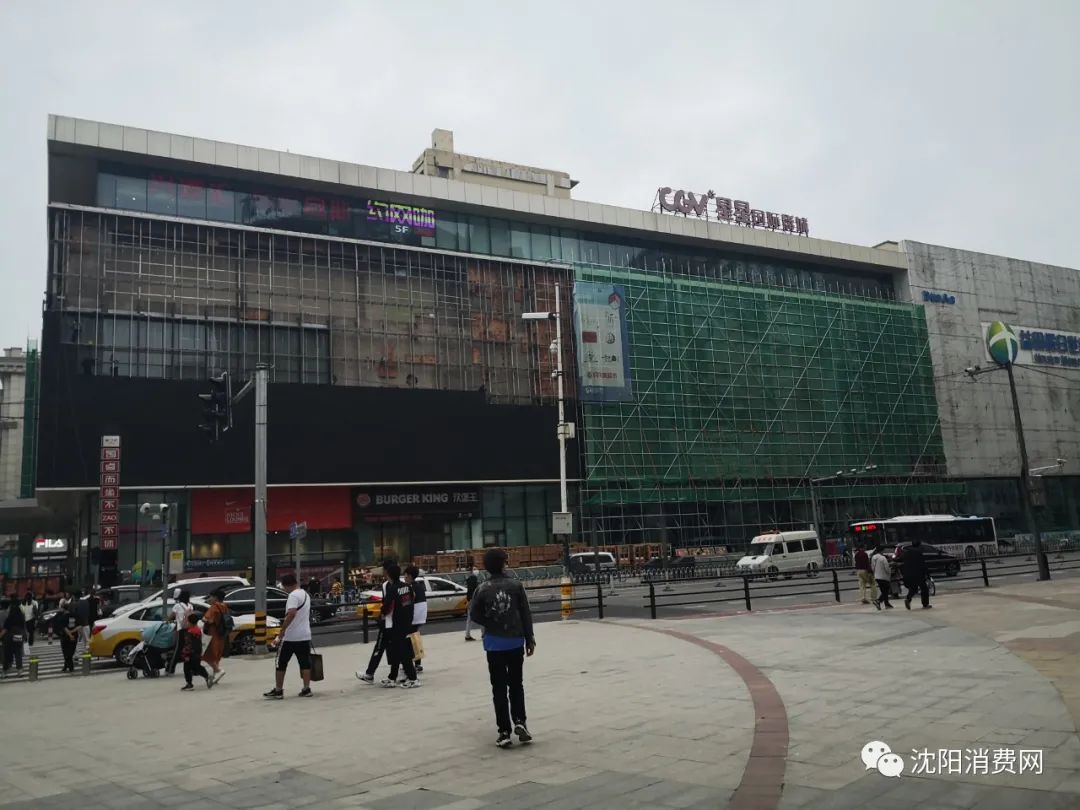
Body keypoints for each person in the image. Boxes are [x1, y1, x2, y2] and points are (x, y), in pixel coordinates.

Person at [469, 548, 535, 748]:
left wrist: (490, 621)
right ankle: (520, 721)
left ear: (486, 566)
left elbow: (474, 614)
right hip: (515, 641)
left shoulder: (482, 588)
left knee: (498, 687)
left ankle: (504, 731)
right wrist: (529, 638)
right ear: (503, 564)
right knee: (516, 684)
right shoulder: (516, 585)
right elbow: (525, 613)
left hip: (494, 643)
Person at [264, 573, 314, 700]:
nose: (284, 590)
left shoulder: (293, 596)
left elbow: (291, 614)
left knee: (280, 663)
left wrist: (281, 633)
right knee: (304, 663)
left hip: (291, 637)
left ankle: (278, 690)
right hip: (304, 635)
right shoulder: (305, 594)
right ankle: (306, 688)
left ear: (287, 585)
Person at [356, 560, 395, 684]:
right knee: (395, 647)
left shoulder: (387, 585)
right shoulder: (402, 584)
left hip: (388, 622)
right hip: (398, 622)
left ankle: (370, 674)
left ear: (386, 571)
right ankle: (401, 672)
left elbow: (387, 603)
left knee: (380, 647)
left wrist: (382, 615)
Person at [381, 563, 419, 689]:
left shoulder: (392, 589)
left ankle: (413, 678)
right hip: (408, 620)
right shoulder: (407, 587)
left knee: (402, 651)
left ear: (388, 575)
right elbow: (413, 598)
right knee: (396, 650)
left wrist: (382, 613)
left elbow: (386, 607)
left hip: (397, 622)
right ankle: (392, 677)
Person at [201, 588, 231, 684]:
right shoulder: (224, 606)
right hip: (221, 633)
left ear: (216, 597)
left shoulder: (214, 607)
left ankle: (218, 671)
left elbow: (206, 619)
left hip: (212, 633)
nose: (210, 598)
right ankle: (215, 675)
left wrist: (205, 620)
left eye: (211, 597)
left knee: (207, 654)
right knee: (217, 654)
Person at [180, 614, 213, 691]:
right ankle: (207, 676)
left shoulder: (190, 631)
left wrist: (185, 654)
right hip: (197, 652)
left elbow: (188, 644)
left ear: (190, 622)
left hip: (190, 654)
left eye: (187, 621)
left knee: (187, 668)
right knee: (197, 667)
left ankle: (190, 684)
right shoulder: (198, 630)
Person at [404, 565, 426, 675]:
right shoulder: (419, 585)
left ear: (410, 576)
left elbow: (409, 601)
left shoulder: (410, 587)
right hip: (420, 616)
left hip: (414, 616)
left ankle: (412, 664)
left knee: (409, 640)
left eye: (405, 575)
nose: (404, 577)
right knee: (415, 638)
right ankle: (417, 663)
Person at [49, 600, 81, 672]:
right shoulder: (75, 615)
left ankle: (70, 667)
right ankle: (66, 667)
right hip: (74, 636)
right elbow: (80, 626)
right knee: (71, 653)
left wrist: (70, 634)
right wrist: (72, 632)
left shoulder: (62, 617)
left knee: (66, 653)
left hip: (65, 637)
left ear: (63, 609)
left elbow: (64, 627)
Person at [167, 590, 193, 675]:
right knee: (188, 649)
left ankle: (170, 669)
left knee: (178, 649)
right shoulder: (191, 606)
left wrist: (168, 621)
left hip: (181, 630)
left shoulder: (177, 606)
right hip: (190, 630)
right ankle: (191, 668)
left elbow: (171, 617)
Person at [900, 539, 931, 610]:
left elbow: (902, 563)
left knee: (913, 588)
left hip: (908, 574)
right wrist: (928, 575)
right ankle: (925, 604)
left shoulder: (906, 553)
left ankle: (908, 599)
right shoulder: (919, 553)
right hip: (918, 574)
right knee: (924, 589)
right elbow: (923, 565)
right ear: (919, 545)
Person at [0, 598, 27, 677]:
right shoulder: (21, 617)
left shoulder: (10, 618)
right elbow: (24, 628)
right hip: (18, 637)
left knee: (7, 654)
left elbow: (5, 629)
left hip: (9, 638)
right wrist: (25, 637)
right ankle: (19, 671)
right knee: (18, 653)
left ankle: (4, 672)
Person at [464, 568, 480, 642]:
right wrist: (470, 600)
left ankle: (467, 635)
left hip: (471, 600)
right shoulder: (473, 579)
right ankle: (484, 634)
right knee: (482, 616)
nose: (476, 570)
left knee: (469, 619)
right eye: (475, 569)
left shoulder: (469, 579)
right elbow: (472, 591)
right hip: (474, 601)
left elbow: (469, 591)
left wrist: (468, 600)